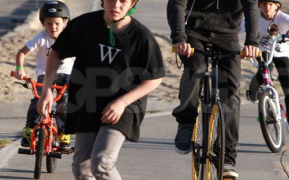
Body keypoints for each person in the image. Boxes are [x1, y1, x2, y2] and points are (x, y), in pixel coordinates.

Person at [37, 0, 165, 179]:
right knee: (81, 169)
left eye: (123, 1)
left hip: (123, 106)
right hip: (86, 103)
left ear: (132, 4)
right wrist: (47, 91)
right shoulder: (84, 25)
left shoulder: (141, 36)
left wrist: (122, 102)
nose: (116, 5)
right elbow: (56, 53)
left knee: (102, 163)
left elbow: (155, 77)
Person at [167, 0, 260, 178]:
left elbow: (251, 7)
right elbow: (177, 4)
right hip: (194, 31)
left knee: (230, 95)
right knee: (196, 70)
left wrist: (252, 42)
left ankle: (226, 159)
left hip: (228, 35)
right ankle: (186, 121)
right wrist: (179, 39)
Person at [14, 1, 74, 151]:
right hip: (45, 74)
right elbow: (21, 52)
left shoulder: (70, 37)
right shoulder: (41, 37)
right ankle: (29, 130)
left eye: (56, 23)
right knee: (37, 99)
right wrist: (19, 68)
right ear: (43, 24)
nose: (53, 27)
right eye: (49, 24)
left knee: (65, 102)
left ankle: (64, 133)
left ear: (65, 22)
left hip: (66, 74)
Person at [244, 0, 289, 134]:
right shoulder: (254, 17)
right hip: (263, 51)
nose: (267, 7)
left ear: (277, 6)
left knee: (288, 85)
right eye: (264, 4)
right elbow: (238, 28)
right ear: (259, 5)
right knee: (264, 71)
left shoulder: (282, 17)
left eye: (271, 4)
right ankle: (252, 91)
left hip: (282, 52)